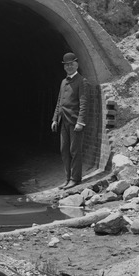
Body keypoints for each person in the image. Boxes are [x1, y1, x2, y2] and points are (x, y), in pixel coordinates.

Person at [51, 52, 89, 188]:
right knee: (64, 150)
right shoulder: (63, 81)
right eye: (66, 65)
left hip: (74, 122)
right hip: (63, 122)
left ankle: (75, 178)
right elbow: (59, 102)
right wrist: (55, 119)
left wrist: (80, 121)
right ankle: (67, 178)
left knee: (75, 151)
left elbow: (83, 103)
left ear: (76, 64)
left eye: (71, 64)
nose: (69, 67)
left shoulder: (81, 81)